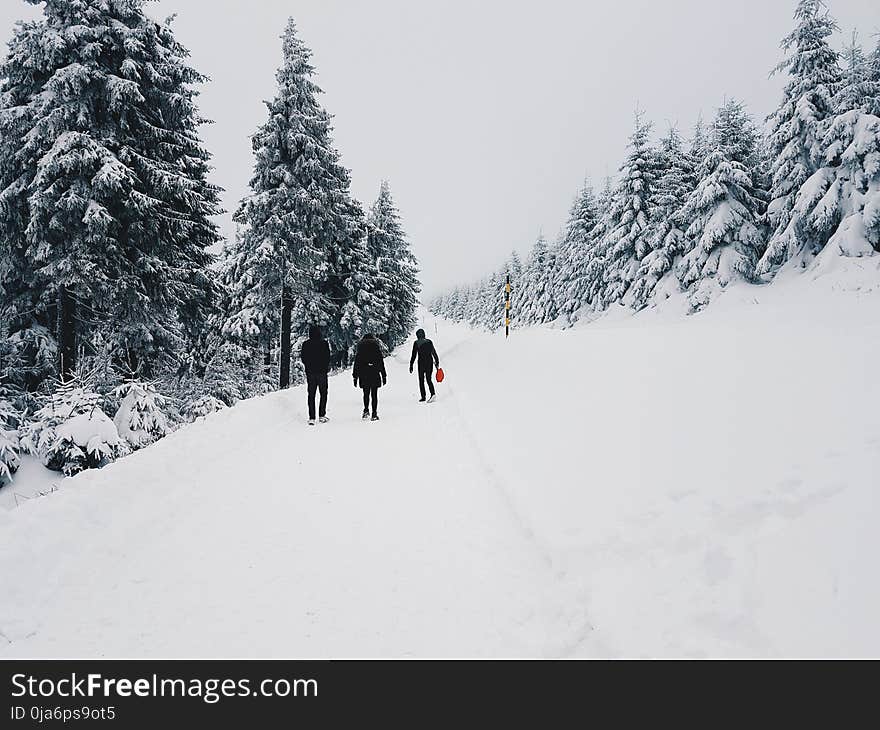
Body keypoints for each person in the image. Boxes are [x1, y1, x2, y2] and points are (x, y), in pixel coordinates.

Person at [300, 324, 331, 426]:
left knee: (311, 395)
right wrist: (325, 366)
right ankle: (322, 415)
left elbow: (303, 358)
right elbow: (327, 357)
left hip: (310, 372)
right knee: (323, 393)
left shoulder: (306, 344)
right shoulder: (324, 343)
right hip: (322, 372)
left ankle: (311, 417)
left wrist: (308, 366)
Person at [353, 333, 386, 421]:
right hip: (374, 372)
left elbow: (357, 363)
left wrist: (355, 377)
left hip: (363, 373)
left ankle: (366, 410)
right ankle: (374, 413)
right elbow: (381, 362)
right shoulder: (376, 348)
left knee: (366, 393)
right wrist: (384, 375)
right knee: (374, 394)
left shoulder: (360, 349)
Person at [409, 328, 440, 402]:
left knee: (421, 380)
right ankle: (433, 394)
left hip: (421, 363)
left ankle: (423, 397)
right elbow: (434, 352)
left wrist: (411, 365)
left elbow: (414, 355)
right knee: (429, 379)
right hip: (430, 362)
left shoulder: (416, 343)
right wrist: (437, 362)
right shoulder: (429, 342)